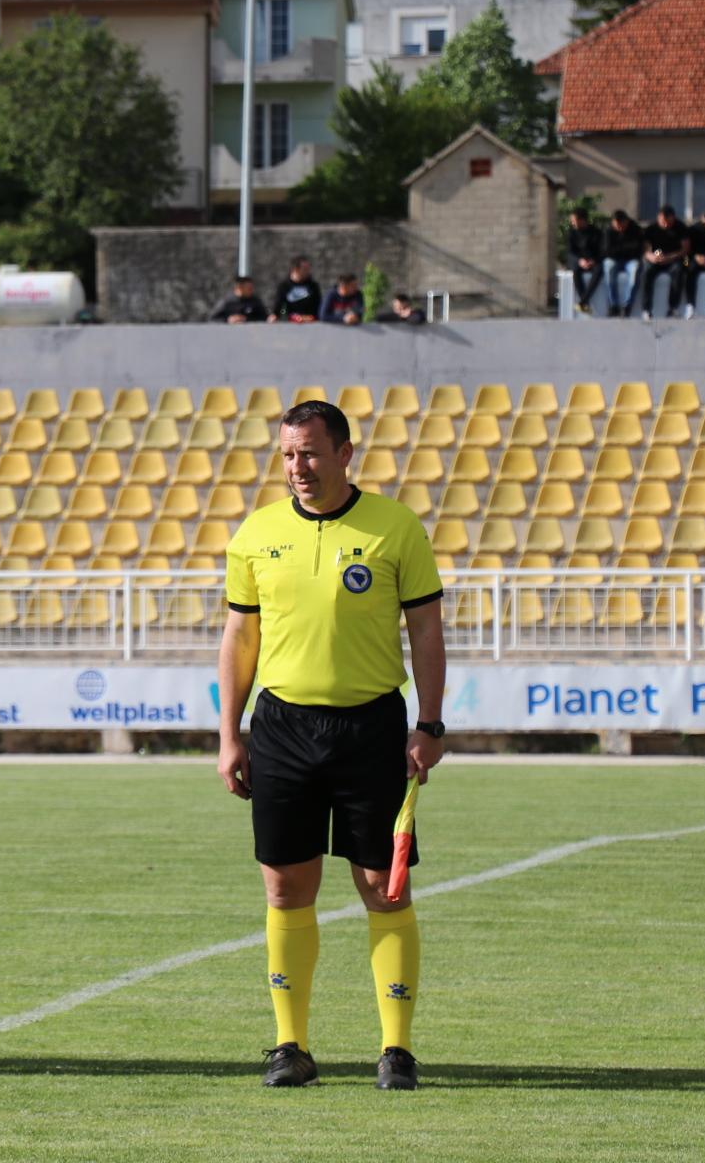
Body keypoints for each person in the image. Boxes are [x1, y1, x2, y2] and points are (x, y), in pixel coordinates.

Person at [216, 400, 445, 1092]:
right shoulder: (256, 534)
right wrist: (230, 733)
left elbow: (426, 633)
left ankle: (396, 1050)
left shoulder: (394, 527)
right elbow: (240, 638)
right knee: (287, 887)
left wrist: (429, 724)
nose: (297, 468)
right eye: (287, 455)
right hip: (282, 728)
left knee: (383, 887)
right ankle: (290, 1045)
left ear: (345, 453)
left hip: (370, 727)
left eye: (310, 453)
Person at [640, 206, 686, 318]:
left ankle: (673, 307)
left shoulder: (680, 227)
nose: (665, 225)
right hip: (656, 260)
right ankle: (646, 309)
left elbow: (685, 249)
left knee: (678, 271)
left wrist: (669, 257)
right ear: (658, 218)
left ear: (673, 218)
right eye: (663, 222)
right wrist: (651, 257)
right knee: (646, 272)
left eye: (668, 222)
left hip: (673, 259)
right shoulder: (651, 228)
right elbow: (645, 249)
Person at [601, 210, 642, 317]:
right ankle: (613, 305)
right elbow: (607, 250)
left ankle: (627, 305)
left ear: (626, 222)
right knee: (608, 268)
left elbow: (637, 248)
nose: (619, 228)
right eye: (616, 225)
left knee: (635, 270)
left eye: (621, 225)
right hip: (614, 260)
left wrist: (619, 249)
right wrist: (625, 249)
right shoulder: (608, 231)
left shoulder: (635, 229)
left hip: (630, 260)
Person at [566, 208, 603, 313]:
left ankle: (583, 301)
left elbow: (602, 250)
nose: (572, 223)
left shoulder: (596, 232)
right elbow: (570, 251)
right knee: (575, 271)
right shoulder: (571, 233)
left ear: (582, 220)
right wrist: (580, 261)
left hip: (593, 261)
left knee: (599, 271)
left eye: (574, 220)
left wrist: (593, 261)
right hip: (579, 262)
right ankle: (584, 302)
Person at [271, 257, 321, 324]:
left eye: (308, 268)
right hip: (290, 324)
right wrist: (276, 315)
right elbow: (280, 308)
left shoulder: (313, 286)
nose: (308, 271)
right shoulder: (284, 286)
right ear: (296, 269)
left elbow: (318, 306)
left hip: (310, 323)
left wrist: (310, 317)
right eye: (305, 269)